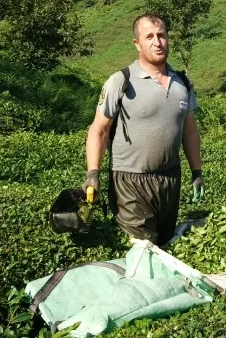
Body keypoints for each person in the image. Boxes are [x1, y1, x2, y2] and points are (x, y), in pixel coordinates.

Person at [82, 13, 204, 246]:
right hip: (130, 182)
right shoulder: (122, 81)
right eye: (149, 37)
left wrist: (196, 172)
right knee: (143, 249)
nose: (157, 42)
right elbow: (98, 130)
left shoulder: (183, 83)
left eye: (162, 35)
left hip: (170, 179)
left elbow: (189, 131)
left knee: (165, 244)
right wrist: (92, 173)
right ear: (137, 44)